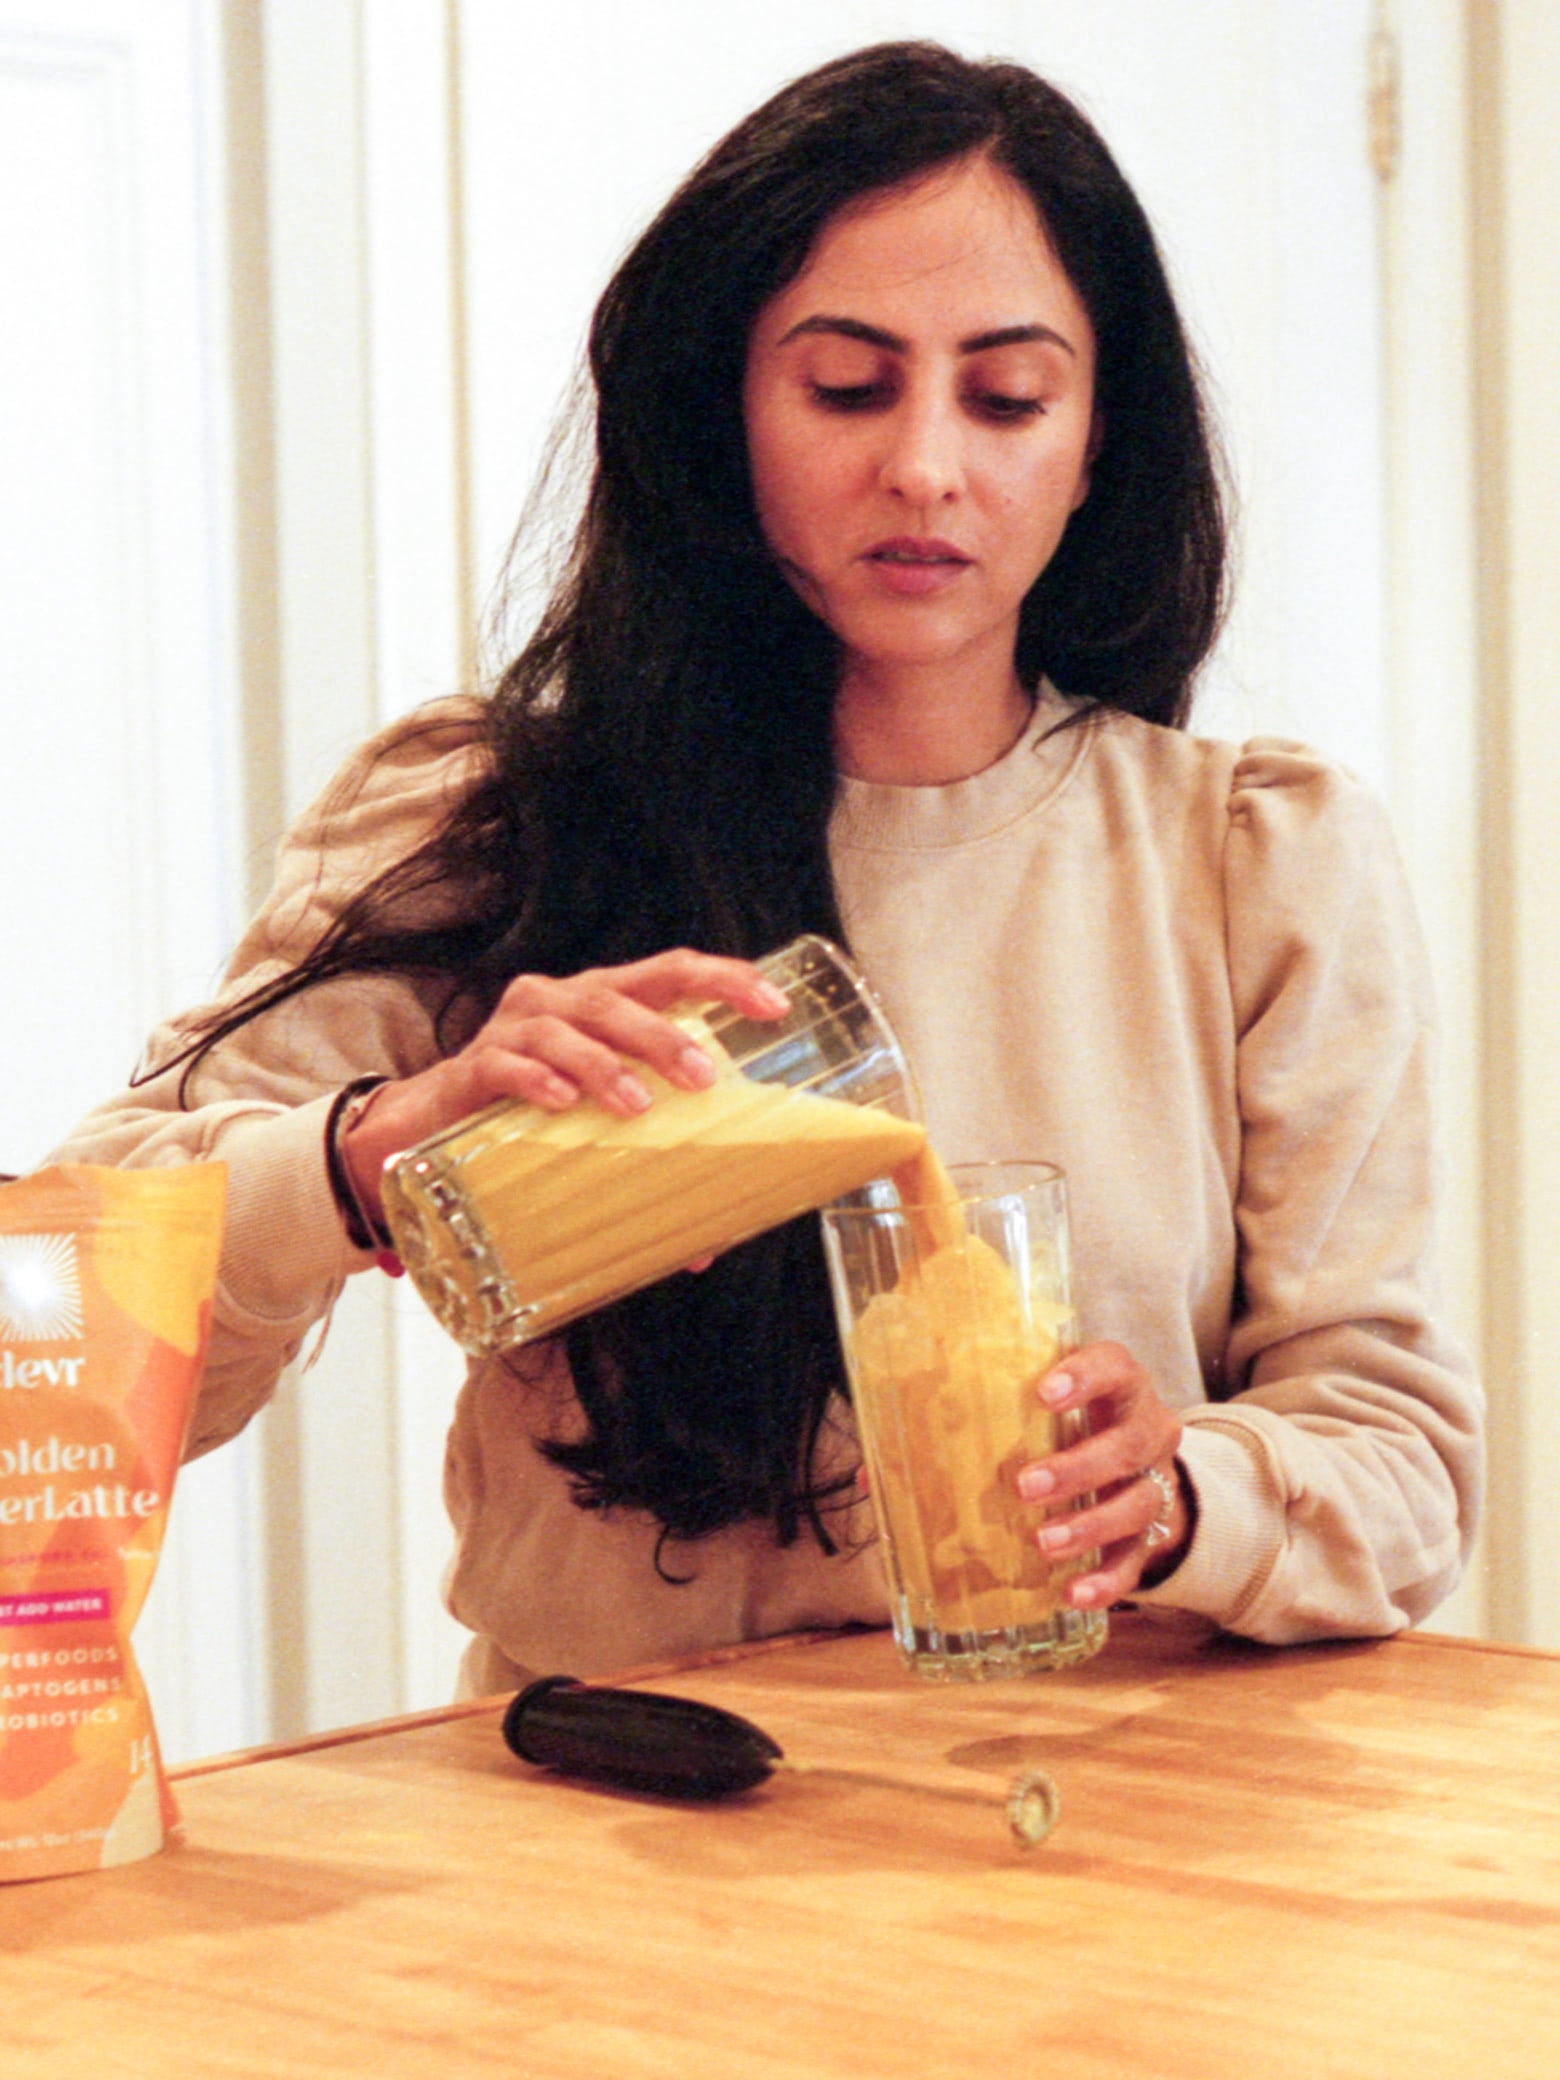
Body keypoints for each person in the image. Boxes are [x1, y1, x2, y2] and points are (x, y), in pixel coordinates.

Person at [53, 42, 1481, 1689]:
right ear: (720, 408)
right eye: (848, 387)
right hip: (613, 1814)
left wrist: (1173, 1499)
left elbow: (1400, 1462)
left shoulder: (1254, 861)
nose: (930, 468)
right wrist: (372, 1156)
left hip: (1113, 1813)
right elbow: (71, 1324)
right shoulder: (491, 817)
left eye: (1008, 397)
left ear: (1100, 442)